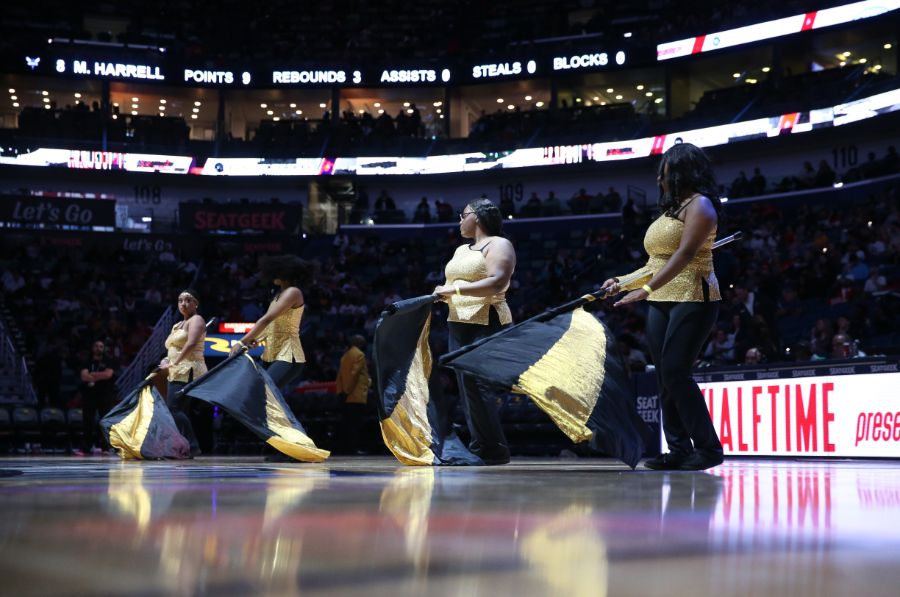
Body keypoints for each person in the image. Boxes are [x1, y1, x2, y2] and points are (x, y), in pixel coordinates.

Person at [601, 142, 724, 471]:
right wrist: (622, 282)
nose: (660, 178)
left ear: (683, 170)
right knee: (664, 377)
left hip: (694, 297)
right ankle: (679, 449)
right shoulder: (671, 211)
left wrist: (645, 289)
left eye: (665, 171)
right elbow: (655, 262)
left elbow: (684, 257)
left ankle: (709, 449)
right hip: (660, 299)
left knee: (675, 371)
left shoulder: (702, 206)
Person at [432, 198, 516, 465]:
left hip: (487, 319)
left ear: (477, 217)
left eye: (462, 215)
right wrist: (442, 293)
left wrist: (453, 290)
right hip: (458, 321)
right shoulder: (460, 250)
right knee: (467, 387)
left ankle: (493, 448)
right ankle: (482, 445)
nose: (459, 221)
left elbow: (497, 281)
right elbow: (453, 282)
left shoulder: (499, 244)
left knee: (479, 386)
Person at [230, 255, 311, 393]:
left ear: (286, 273)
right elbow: (271, 325)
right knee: (265, 395)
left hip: (288, 352)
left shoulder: (293, 292)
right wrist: (257, 339)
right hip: (276, 351)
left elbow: (266, 320)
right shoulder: (280, 295)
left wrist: (242, 342)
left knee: (263, 392)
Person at [158, 289, 206, 457]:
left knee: (173, 408)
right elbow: (172, 348)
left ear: (196, 303)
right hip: (175, 370)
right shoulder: (176, 325)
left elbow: (191, 343)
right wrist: (166, 360)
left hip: (189, 369)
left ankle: (192, 446)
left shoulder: (197, 320)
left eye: (188, 300)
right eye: (180, 301)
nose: (183, 304)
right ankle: (183, 447)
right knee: (178, 410)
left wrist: (175, 362)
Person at [75, 340, 116, 456]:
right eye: (96, 346)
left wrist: (92, 376)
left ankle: (105, 447)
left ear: (104, 348)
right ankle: (86, 448)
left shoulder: (108, 361)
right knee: (88, 421)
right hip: (89, 396)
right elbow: (83, 376)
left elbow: (108, 374)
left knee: (104, 421)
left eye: (101, 346)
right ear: (93, 348)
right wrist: (100, 376)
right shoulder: (87, 361)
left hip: (104, 395)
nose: (99, 348)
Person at [335, 335, 371, 454]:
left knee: (347, 424)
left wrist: (341, 392)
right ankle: (354, 448)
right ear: (360, 343)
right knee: (356, 424)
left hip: (345, 396)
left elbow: (340, 376)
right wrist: (348, 390)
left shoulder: (345, 355)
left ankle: (346, 448)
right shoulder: (359, 355)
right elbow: (353, 375)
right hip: (355, 395)